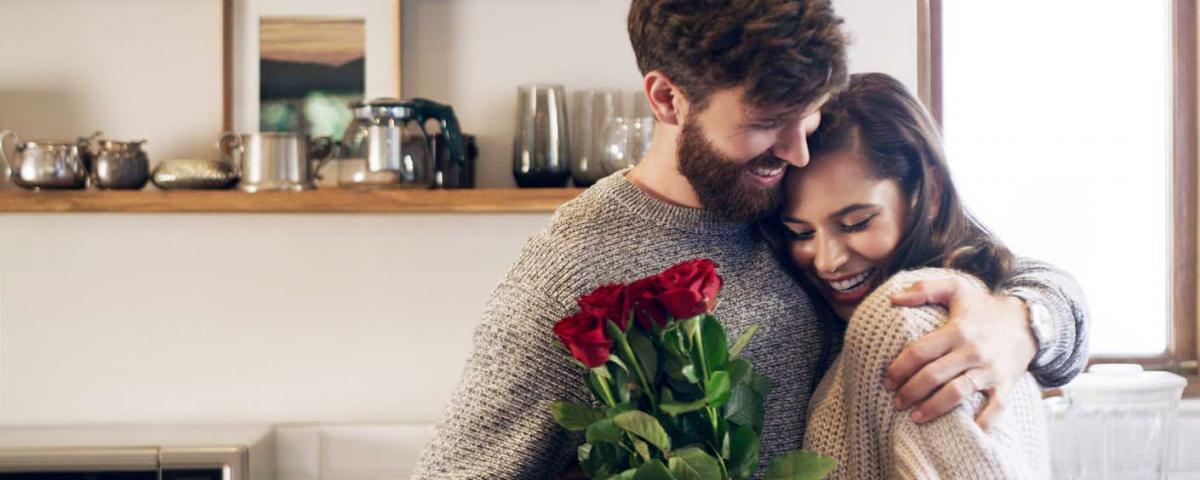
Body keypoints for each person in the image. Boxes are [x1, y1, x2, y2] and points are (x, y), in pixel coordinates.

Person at [413, 2, 1088, 478]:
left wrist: (1021, 320)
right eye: (769, 122)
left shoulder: (793, 193)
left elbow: (1014, 277)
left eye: (810, 115)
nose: (797, 150)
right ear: (667, 98)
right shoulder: (571, 272)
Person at [770, 72, 1067, 478]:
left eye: (856, 223)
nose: (826, 261)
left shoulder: (906, 322)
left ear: (930, 195)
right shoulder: (981, 306)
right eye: (800, 233)